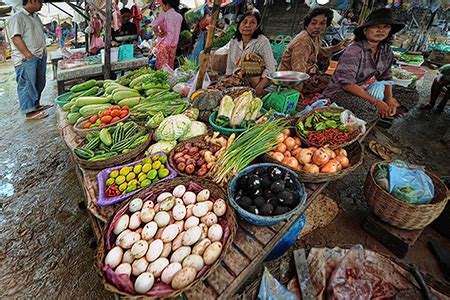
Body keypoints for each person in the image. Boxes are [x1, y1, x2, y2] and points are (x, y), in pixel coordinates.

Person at [322, 8, 418, 123]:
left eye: (386, 27)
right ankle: (380, 112)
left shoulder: (386, 50)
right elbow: (347, 85)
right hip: (342, 91)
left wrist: (389, 98)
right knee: (369, 109)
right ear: (365, 30)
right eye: (376, 26)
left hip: (367, 87)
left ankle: (384, 111)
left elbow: (387, 77)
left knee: (413, 95)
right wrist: (376, 102)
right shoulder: (354, 51)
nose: (381, 30)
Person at [279, 7, 351, 97]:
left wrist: (338, 47)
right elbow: (298, 72)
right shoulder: (303, 41)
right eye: (313, 23)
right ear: (307, 25)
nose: (317, 26)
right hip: (290, 82)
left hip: (307, 77)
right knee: (334, 87)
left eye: (322, 23)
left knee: (335, 82)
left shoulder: (314, 37)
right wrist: (297, 95)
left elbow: (320, 52)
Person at [8, 0, 52, 120]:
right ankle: (29, 112)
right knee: (27, 84)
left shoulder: (35, 17)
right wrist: (28, 55)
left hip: (39, 55)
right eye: (40, 2)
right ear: (32, 1)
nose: (42, 4)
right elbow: (16, 38)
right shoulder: (17, 17)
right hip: (26, 58)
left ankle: (35, 105)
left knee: (39, 82)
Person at [217, 10, 276, 96]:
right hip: (241, 79)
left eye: (252, 23)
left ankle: (258, 91)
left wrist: (258, 87)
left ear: (257, 26)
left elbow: (271, 69)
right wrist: (222, 82)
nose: (247, 25)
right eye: (244, 22)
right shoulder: (234, 41)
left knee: (248, 58)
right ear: (239, 24)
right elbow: (229, 67)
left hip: (262, 81)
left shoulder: (262, 41)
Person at [151, 0, 183, 69]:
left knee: (162, 68)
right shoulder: (179, 16)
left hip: (164, 45)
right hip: (174, 45)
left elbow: (154, 25)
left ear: (167, 4)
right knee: (170, 67)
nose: (162, 7)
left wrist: (158, 33)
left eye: (162, 5)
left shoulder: (164, 15)